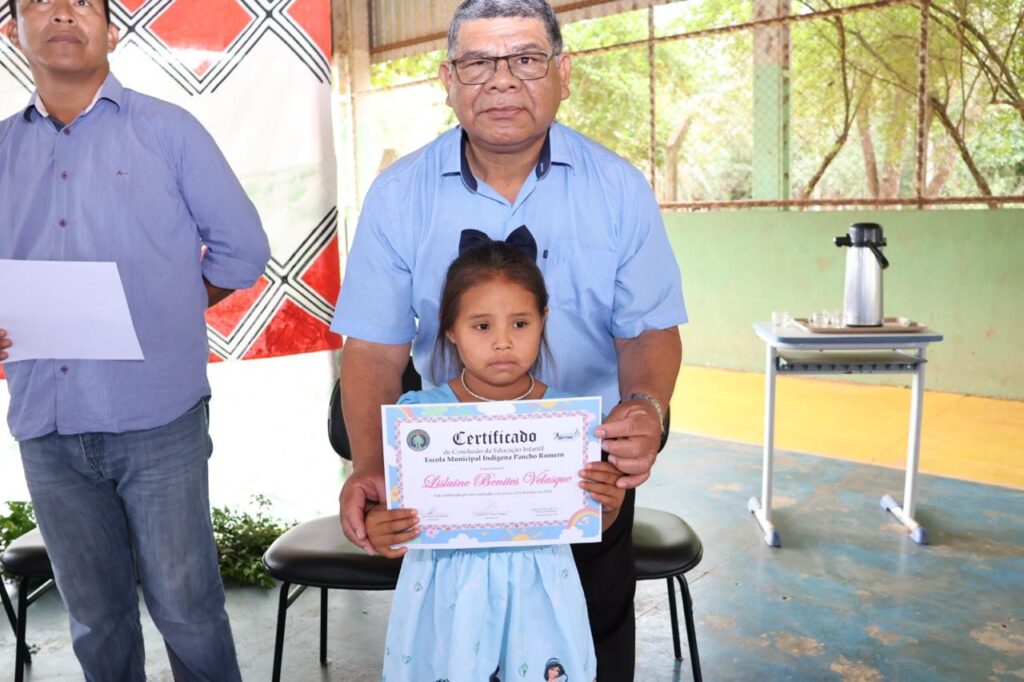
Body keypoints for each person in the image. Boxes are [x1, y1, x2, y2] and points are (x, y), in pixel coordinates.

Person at [331, 0, 686, 677]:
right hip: (447, 489)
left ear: (562, 72)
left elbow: (651, 331)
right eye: (477, 63)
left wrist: (644, 404)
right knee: (455, 656)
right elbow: (373, 351)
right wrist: (372, 470)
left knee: (583, 657)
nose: (501, 81)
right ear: (447, 79)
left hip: (585, 480)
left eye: (525, 59)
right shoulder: (399, 194)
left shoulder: (618, 189)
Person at [0, 0, 270, 679]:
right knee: (94, 620)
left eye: (84, 2)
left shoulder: (168, 131)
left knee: (187, 610)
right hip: (47, 425)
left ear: (112, 30)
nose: (64, 12)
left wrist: (171, 301)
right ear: (11, 30)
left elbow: (242, 251)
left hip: (158, 421)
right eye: (40, 1)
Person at [366, 236, 624, 681]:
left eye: (520, 324)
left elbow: (590, 519)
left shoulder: (570, 421)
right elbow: (394, 516)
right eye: (482, 326)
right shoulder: (419, 418)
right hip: (443, 593)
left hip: (541, 592)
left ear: (543, 320)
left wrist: (608, 504)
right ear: (449, 328)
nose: (503, 342)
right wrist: (380, 525)